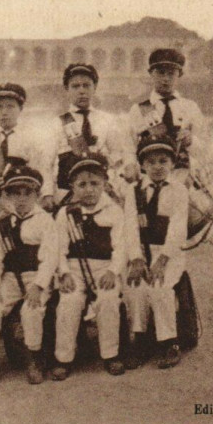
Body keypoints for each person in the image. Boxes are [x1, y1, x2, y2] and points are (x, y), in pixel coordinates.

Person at [47, 154, 127, 380]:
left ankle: (111, 354)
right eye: (82, 185)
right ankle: (64, 358)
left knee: (108, 300)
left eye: (95, 183)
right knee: (68, 303)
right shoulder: (65, 213)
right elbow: (58, 249)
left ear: (104, 184)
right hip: (74, 268)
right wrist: (63, 273)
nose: (89, 190)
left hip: (105, 269)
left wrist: (113, 271)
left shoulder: (114, 211)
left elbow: (121, 247)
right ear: (72, 187)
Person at [0, 165, 57, 386]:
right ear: (8, 196)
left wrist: (39, 285)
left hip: (36, 276)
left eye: (27, 193)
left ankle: (34, 358)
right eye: (16, 194)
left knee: (31, 309)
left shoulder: (45, 221)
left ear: (37, 195)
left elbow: (50, 257)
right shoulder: (3, 224)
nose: (21, 199)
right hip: (11, 277)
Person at [123, 135, 189, 370]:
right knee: (135, 288)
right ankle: (140, 340)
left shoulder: (179, 190)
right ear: (143, 165)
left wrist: (162, 260)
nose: (158, 167)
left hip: (168, 253)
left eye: (163, 161)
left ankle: (169, 342)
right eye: (151, 162)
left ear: (172, 163)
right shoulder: (134, 191)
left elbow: (178, 228)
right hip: (142, 251)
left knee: (160, 287)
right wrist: (137, 259)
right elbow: (129, 226)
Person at [121, 49, 205, 186]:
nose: (166, 78)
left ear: (179, 75)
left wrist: (191, 141)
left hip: (182, 178)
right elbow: (129, 147)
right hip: (148, 179)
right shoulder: (138, 110)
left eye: (171, 74)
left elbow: (204, 148)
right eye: (160, 73)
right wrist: (130, 166)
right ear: (150, 74)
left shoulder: (191, 108)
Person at [0, 83, 55, 213]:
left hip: (20, 204)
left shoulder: (30, 139)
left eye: (10, 107)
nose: (4, 112)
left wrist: (47, 195)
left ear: (20, 109)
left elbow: (42, 168)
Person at [52, 63, 125, 205]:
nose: (81, 91)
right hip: (67, 192)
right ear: (66, 89)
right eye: (75, 86)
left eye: (86, 85)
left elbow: (118, 157)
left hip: (101, 191)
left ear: (95, 88)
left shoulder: (108, 120)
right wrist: (48, 193)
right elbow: (47, 163)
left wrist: (113, 186)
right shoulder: (56, 123)